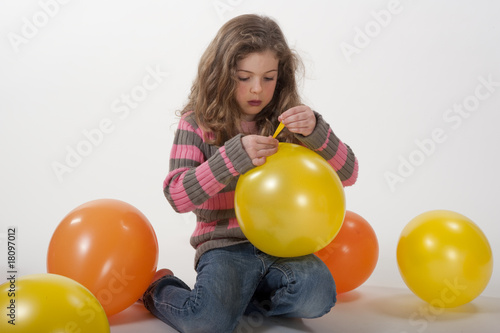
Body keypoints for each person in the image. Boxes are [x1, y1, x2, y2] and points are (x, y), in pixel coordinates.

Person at [142, 14, 358, 332]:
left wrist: (316, 131)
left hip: (284, 245)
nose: (257, 89)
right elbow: (177, 195)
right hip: (224, 247)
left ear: (281, 77)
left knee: (318, 296)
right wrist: (232, 157)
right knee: (206, 324)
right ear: (221, 74)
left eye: (268, 78)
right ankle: (158, 290)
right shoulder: (197, 124)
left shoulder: (286, 124)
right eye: (244, 77)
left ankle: (236, 302)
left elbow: (348, 174)